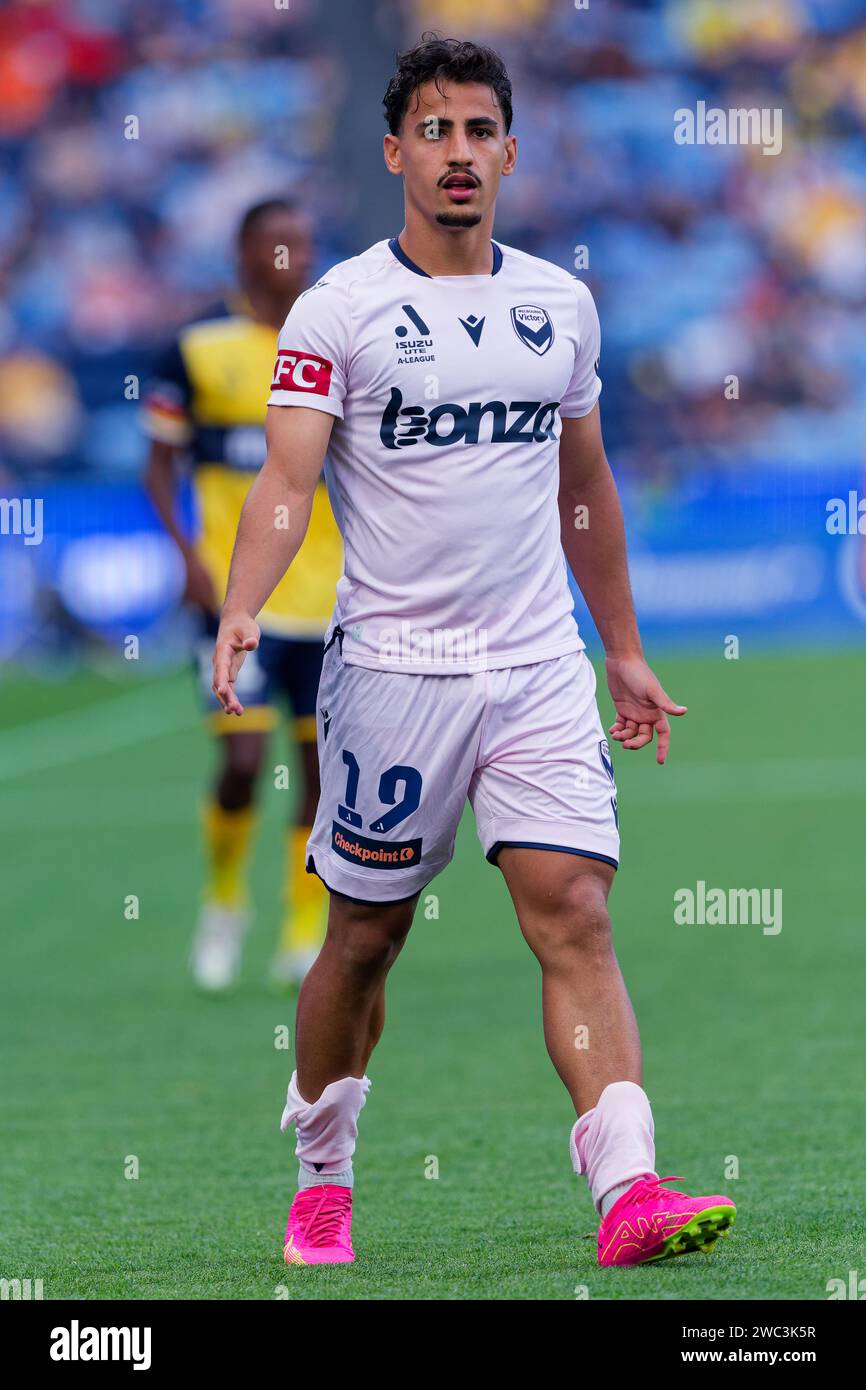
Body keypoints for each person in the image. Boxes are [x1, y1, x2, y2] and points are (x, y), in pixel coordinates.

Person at [213, 37, 737, 1267]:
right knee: (362, 937)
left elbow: (585, 483)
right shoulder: (338, 308)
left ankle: (628, 1189)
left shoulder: (559, 304)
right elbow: (288, 481)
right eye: (434, 132)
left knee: (572, 910)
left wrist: (620, 647)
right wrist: (245, 600)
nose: (458, 153)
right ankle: (323, 1170)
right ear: (396, 152)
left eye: (478, 131)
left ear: (509, 148)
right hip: (393, 671)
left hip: (536, 662)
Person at [144, 198, 342, 992]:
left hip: (330, 599)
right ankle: (224, 902)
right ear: (242, 255)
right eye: (275, 243)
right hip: (239, 599)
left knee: (320, 768)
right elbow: (158, 464)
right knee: (242, 759)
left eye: (301, 241)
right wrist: (187, 554)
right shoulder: (197, 350)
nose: (291, 255)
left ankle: (304, 925)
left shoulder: (339, 340)